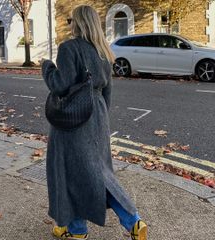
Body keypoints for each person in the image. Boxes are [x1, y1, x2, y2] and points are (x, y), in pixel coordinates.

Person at [42, 5, 147, 240]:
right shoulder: (103, 51)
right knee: (98, 172)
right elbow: (107, 92)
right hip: (97, 114)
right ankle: (134, 221)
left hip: (73, 118)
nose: (69, 24)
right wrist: (100, 119)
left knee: (69, 172)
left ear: (77, 24)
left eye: (71, 21)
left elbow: (60, 85)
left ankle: (77, 231)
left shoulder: (69, 48)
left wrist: (47, 68)